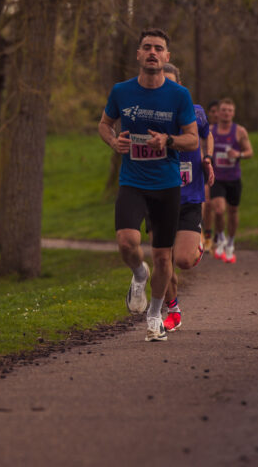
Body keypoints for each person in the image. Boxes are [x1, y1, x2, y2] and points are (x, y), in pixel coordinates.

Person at [98, 28, 199, 342]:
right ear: (139, 54)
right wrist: (113, 142)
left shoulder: (179, 95)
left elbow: (193, 139)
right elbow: (104, 124)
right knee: (127, 242)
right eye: (147, 47)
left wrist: (167, 140)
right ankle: (138, 274)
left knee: (163, 258)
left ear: (167, 56)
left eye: (158, 48)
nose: (152, 52)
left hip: (167, 185)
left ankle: (155, 316)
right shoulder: (121, 91)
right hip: (133, 180)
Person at [160, 64, 214, 332]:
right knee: (162, 260)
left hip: (190, 196)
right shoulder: (151, 116)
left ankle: (197, 246)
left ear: (180, 87)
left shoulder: (196, 112)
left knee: (183, 260)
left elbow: (207, 135)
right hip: (158, 196)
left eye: (172, 84)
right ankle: (173, 309)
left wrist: (207, 158)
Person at [209, 98, 253, 263]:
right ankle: (220, 237)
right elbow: (203, 149)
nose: (226, 113)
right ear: (218, 112)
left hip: (233, 178)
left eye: (230, 110)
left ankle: (231, 243)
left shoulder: (239, 131)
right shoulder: (211, 131)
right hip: (217, 178)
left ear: (233, 113)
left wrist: (238, 154)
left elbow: (249, 152)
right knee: (219, 210)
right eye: (224, 110)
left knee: (233, 211)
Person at [201, 100, 219, 249]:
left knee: (217, 208)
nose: (216, 114)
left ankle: (214, 235)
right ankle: (204, 236)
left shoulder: (231, 130)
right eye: (212, 111)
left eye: (217, 111)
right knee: (205, 203)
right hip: (204, 169)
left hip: (222, 173)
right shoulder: (203, 127)